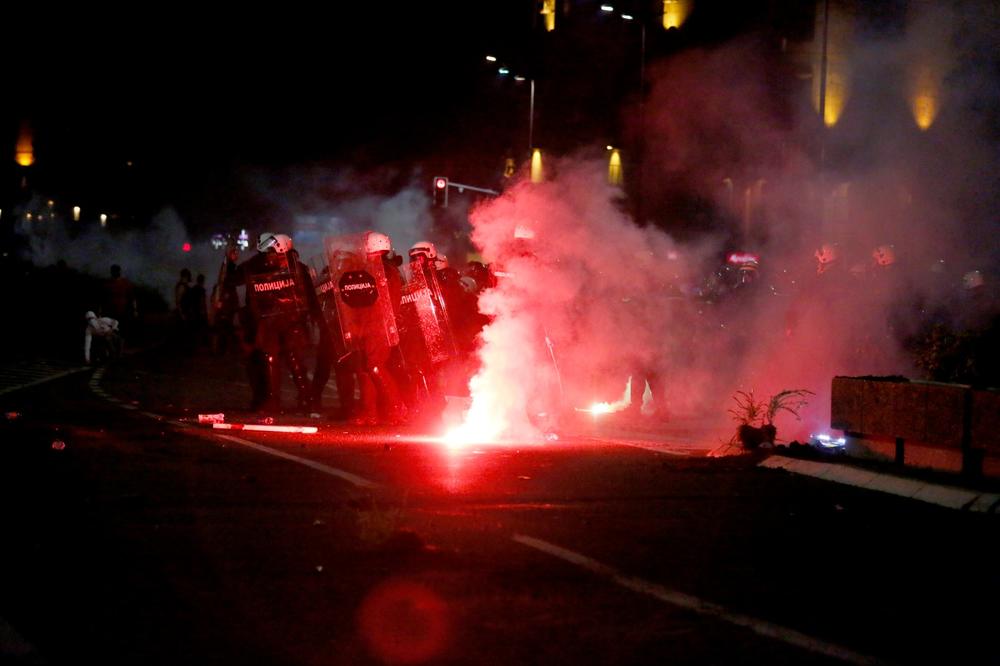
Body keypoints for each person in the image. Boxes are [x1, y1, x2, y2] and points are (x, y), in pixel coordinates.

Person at [226, 232, 317, 413]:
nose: (270, 256)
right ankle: (302, 401)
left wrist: (230, 264)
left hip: (279, 322)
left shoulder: (286, 266)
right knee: (282, 359)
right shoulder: (292, 266)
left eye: (272, 251)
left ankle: (296, 400)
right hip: (281, 321)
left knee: (285, 359)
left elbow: (233, 280)